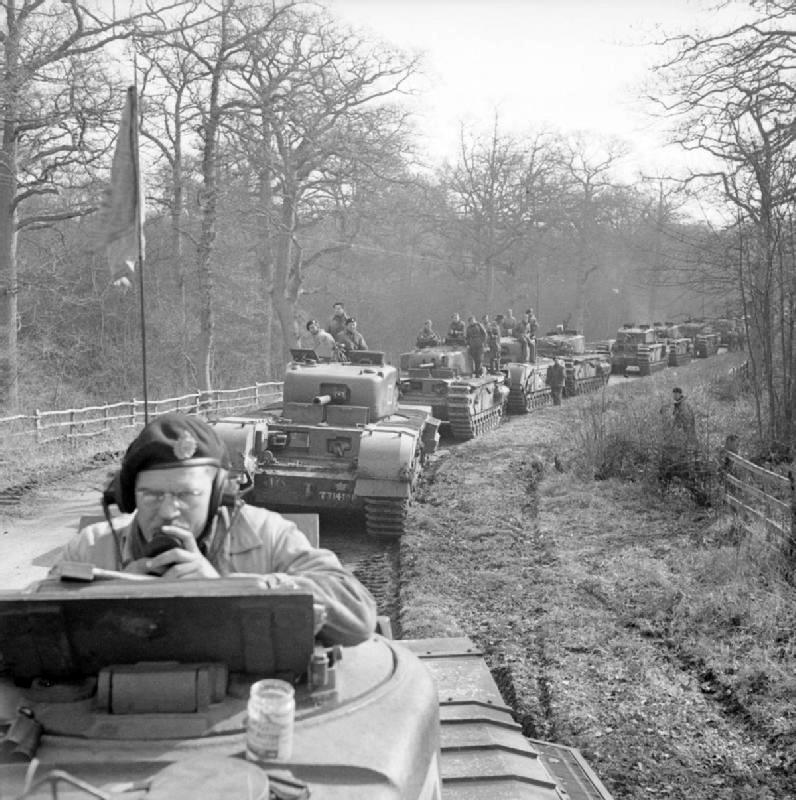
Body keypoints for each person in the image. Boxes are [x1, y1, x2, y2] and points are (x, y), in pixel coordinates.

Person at [56, 413, 377, 647]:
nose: (168, 512)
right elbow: (31, 618)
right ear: (128, 496)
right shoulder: (91, 548)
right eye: (151, 495)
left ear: (216, 495)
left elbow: (358, 613)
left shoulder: (267, 535)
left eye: (186, 495)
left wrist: (229, 591)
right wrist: (107, 598)